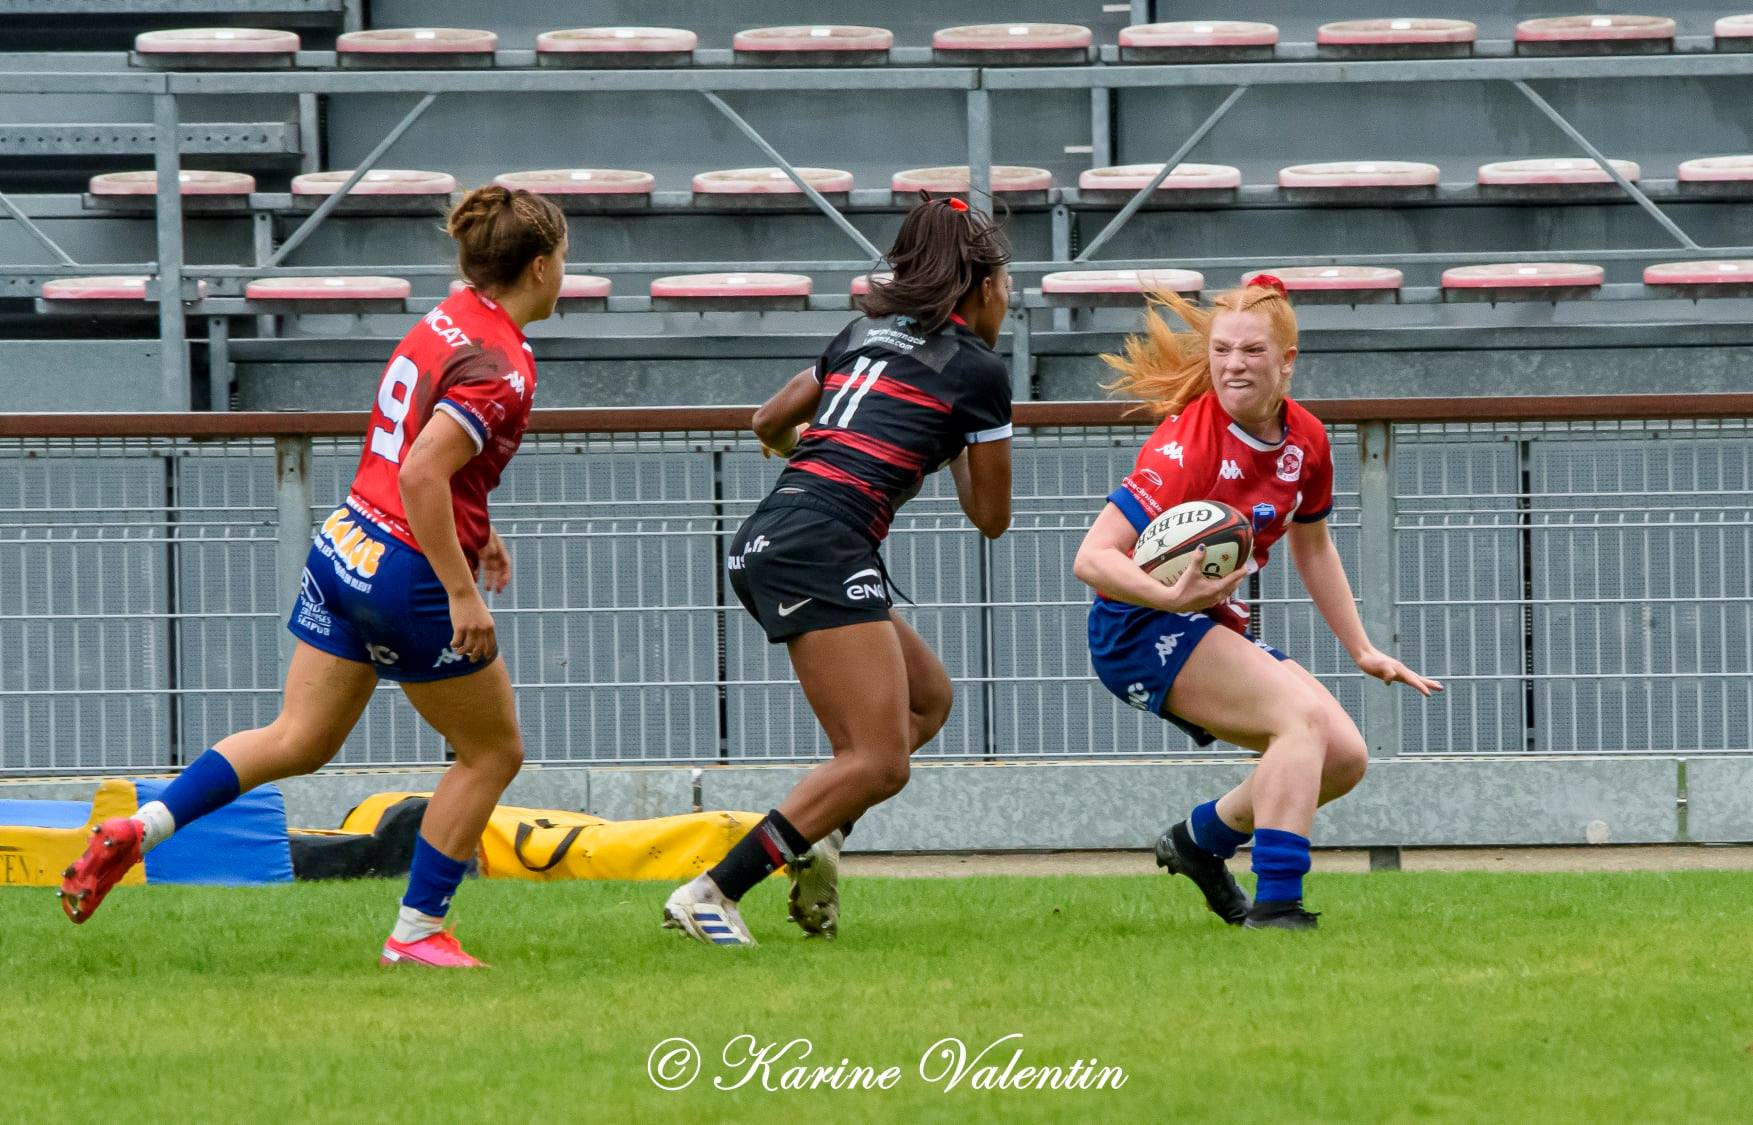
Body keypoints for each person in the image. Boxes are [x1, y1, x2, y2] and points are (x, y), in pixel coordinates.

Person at [58, 185, 569, 968]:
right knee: (491, 754)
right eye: (564, 257)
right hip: (407, 568)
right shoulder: (504, 364)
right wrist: (462, 588)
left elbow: (419, 449)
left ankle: (144, 825)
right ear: (540, 266)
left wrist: (480, 527)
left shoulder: (445, 320)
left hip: (345, 544)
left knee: (299, 737)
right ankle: (417, 932)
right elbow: (426, 473)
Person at [663, 195, 1014, 946]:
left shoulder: (859, 332)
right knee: (881, 760)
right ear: (983, 286)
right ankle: (711, 893)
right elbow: (989, 517)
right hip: (819, 544)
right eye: (1005, 285)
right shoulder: (979, 371)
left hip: (783, 529)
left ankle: (816, 837)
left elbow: (766, 422)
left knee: (926, 699)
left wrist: (830, 465)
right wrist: (951, 441)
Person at [1072, 276, 1441, 931]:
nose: (1231, 364)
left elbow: (1314, 549)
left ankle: (1199, 838)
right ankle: (1276, 907)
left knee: (1343, 755)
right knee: (1297, 719)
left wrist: (1361, 647)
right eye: (1220, 350)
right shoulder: (1185, 447)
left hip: (1201, 618)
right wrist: (1166, 590)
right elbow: (1092, 557)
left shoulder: (1307, 440)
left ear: (1286, 360)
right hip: (1136, 626)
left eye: (1249, 350)